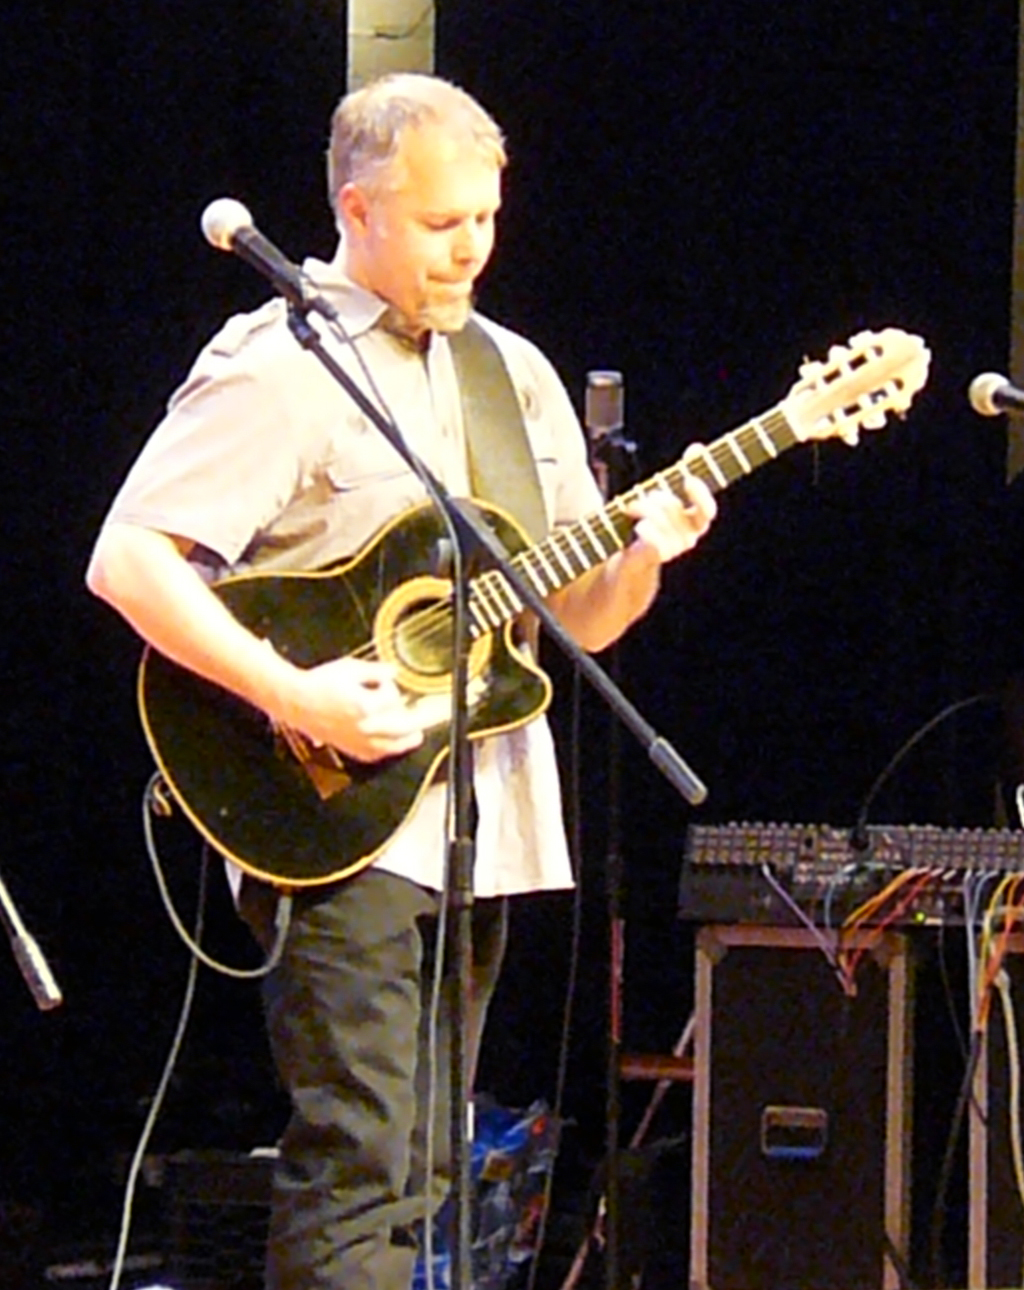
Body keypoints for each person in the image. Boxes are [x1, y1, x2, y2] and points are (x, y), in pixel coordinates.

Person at [87, 72, 717, 1290]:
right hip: (336, 817)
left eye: (485, 218)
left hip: (483, 820)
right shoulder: (281, 366)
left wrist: (644, 553)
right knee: (364, 1160)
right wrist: (295, 695)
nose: (470, 248)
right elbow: (129, 560)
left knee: (427, 1165)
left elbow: (577, 621)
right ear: (358, 209)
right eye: (441, 223)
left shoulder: (511, 373)